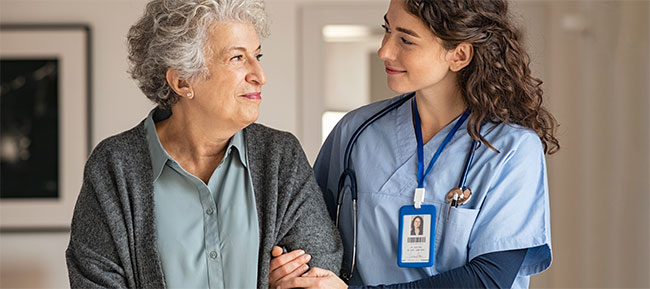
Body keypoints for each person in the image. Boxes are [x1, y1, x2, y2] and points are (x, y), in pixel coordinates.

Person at [271, 0, 559, 288]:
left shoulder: (510, 150)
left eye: (406, 40)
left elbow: (489, 280)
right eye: (387, 30)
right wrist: (288, 270)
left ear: (458, 55)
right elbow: (304, 234)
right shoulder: (354, 132)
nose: (384, 50)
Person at [65, 0, 342, 288]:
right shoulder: (113, 168)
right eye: (237, 58)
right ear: (183, 81)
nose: (260, 76)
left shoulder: (281, 157)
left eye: (257, 56)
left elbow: (319, 274)